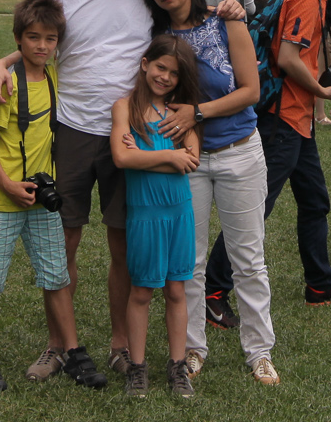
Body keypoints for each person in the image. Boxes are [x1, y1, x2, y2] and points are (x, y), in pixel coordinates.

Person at [0, 0, 249, 380]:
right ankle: (58, 345)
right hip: (71, 130)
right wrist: (0, 63)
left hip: (135, 135)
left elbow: (188, 16)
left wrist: (230, 7)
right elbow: (35, 41)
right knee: (61, 241)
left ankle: (121, 345)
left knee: (125, 246)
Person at [201, 0, 331, 316]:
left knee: (315, 200)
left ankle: (319, 283)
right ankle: (213, 290)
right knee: (257, 206)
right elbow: (289, 58)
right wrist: (321, 89)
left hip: (297, 118)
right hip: (282, 117)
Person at [139, 0, 279, 387]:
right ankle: (193, 349)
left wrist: (197, 112)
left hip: (239, 151)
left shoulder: (226, 19)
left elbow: (250, 90)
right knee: (190, 262)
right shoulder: (155, 33)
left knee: (248, 258)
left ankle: (259, 352)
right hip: (189, 159)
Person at [0, 0, 107, 394]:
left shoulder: (53, 76)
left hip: (42, 197)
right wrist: (8, 184)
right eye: (32, 38)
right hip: (1, 198)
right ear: (18, 39)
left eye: (49, 38)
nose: (41, 46)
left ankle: (73, 351)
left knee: (57, 276)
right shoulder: (4, 85)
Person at [110, 34, 201, 400]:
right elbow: (121, 159)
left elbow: (191, 162)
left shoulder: (180, 113)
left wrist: (147, 158)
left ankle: (178, 368)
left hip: (179, 213)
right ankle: (138, 368)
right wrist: (170, 158)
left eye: (174, 73)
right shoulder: (125, 108)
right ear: (145, 63)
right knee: (142, 291)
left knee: (177, 289)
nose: (165, 77)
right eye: (160, 67)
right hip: (145, 215)